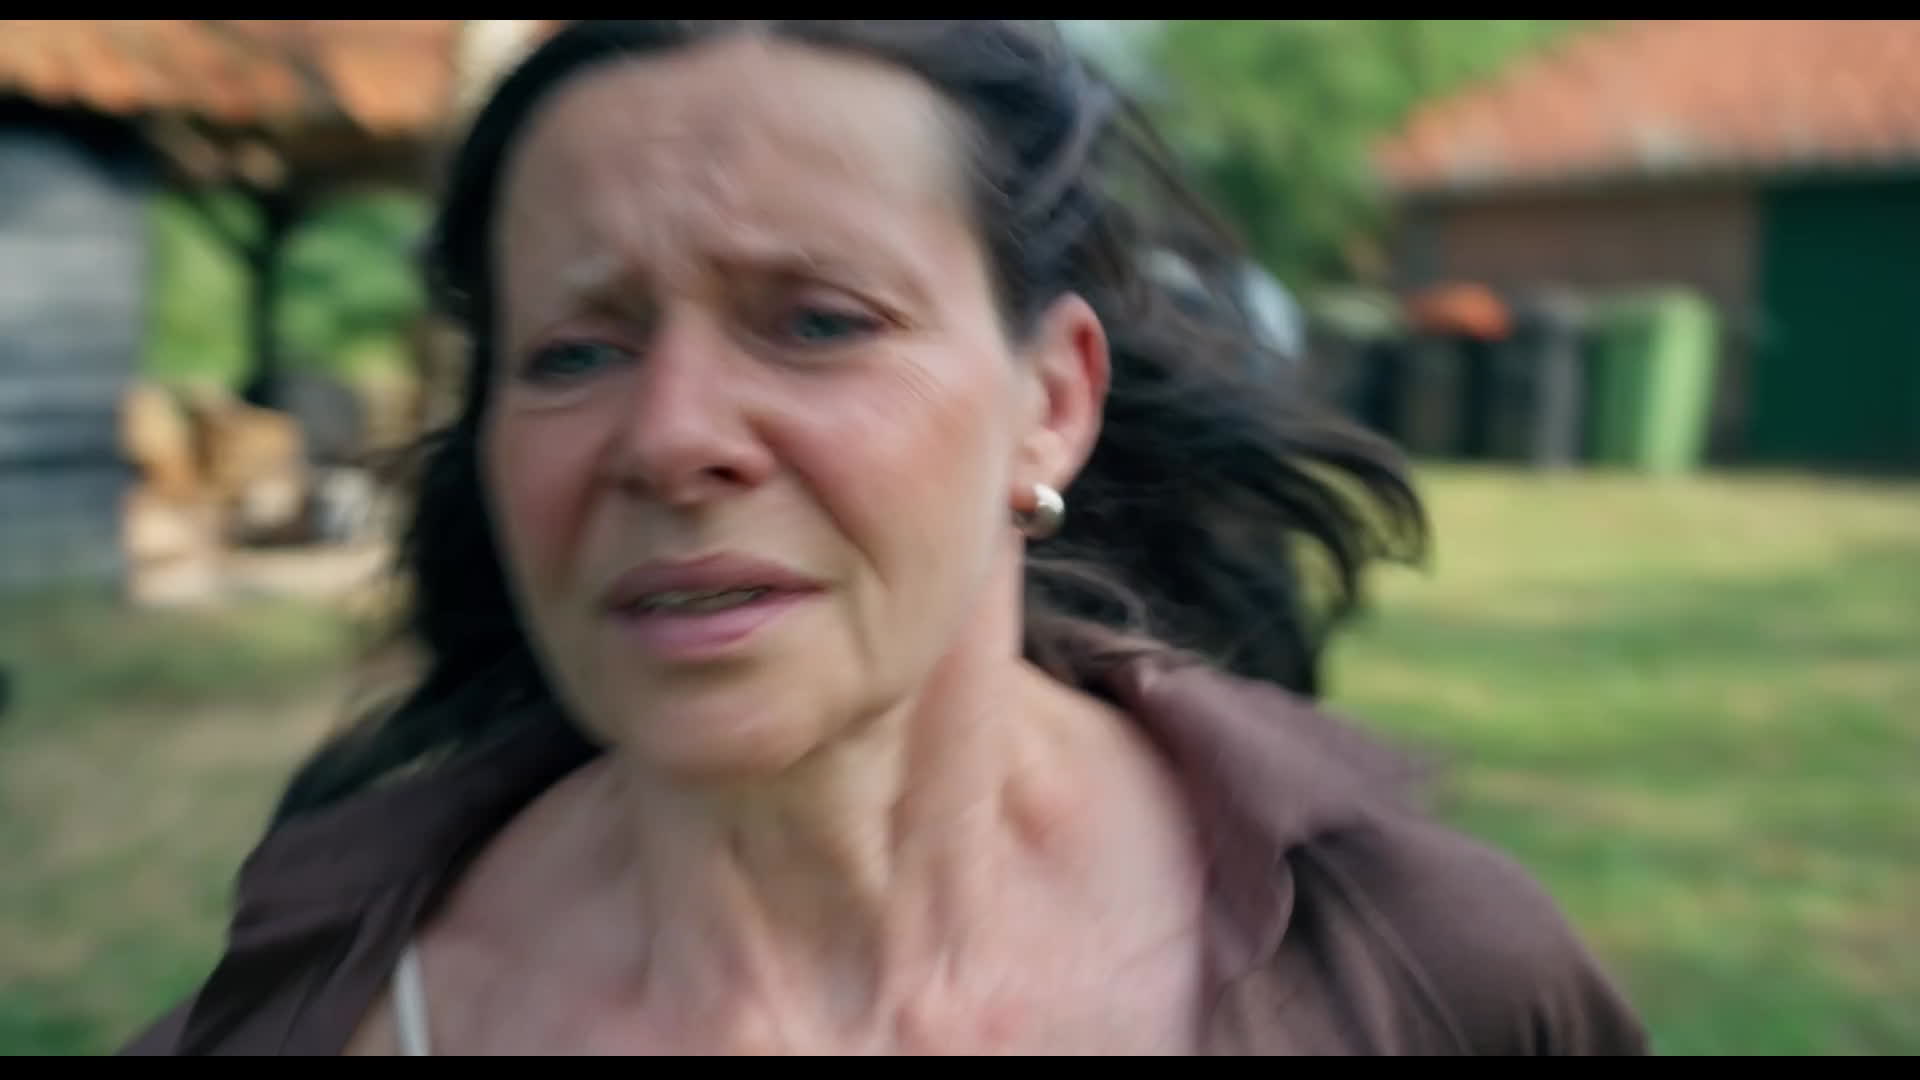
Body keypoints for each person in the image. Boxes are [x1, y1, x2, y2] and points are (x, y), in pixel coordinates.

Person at [121, 20, 1648, 1055]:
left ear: (1051, 403)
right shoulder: (337, 1017)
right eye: (576, 352)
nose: (670, 435)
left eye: (817, 323)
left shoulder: (1429, 981)